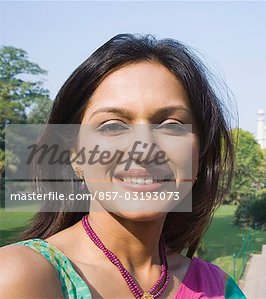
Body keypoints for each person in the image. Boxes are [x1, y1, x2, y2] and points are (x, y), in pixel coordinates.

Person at [0, 34, 245, 298]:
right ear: (75, 154)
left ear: (199, 155)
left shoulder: (219, 288)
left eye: (171, 125)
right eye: (113, 125)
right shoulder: (21, 276)